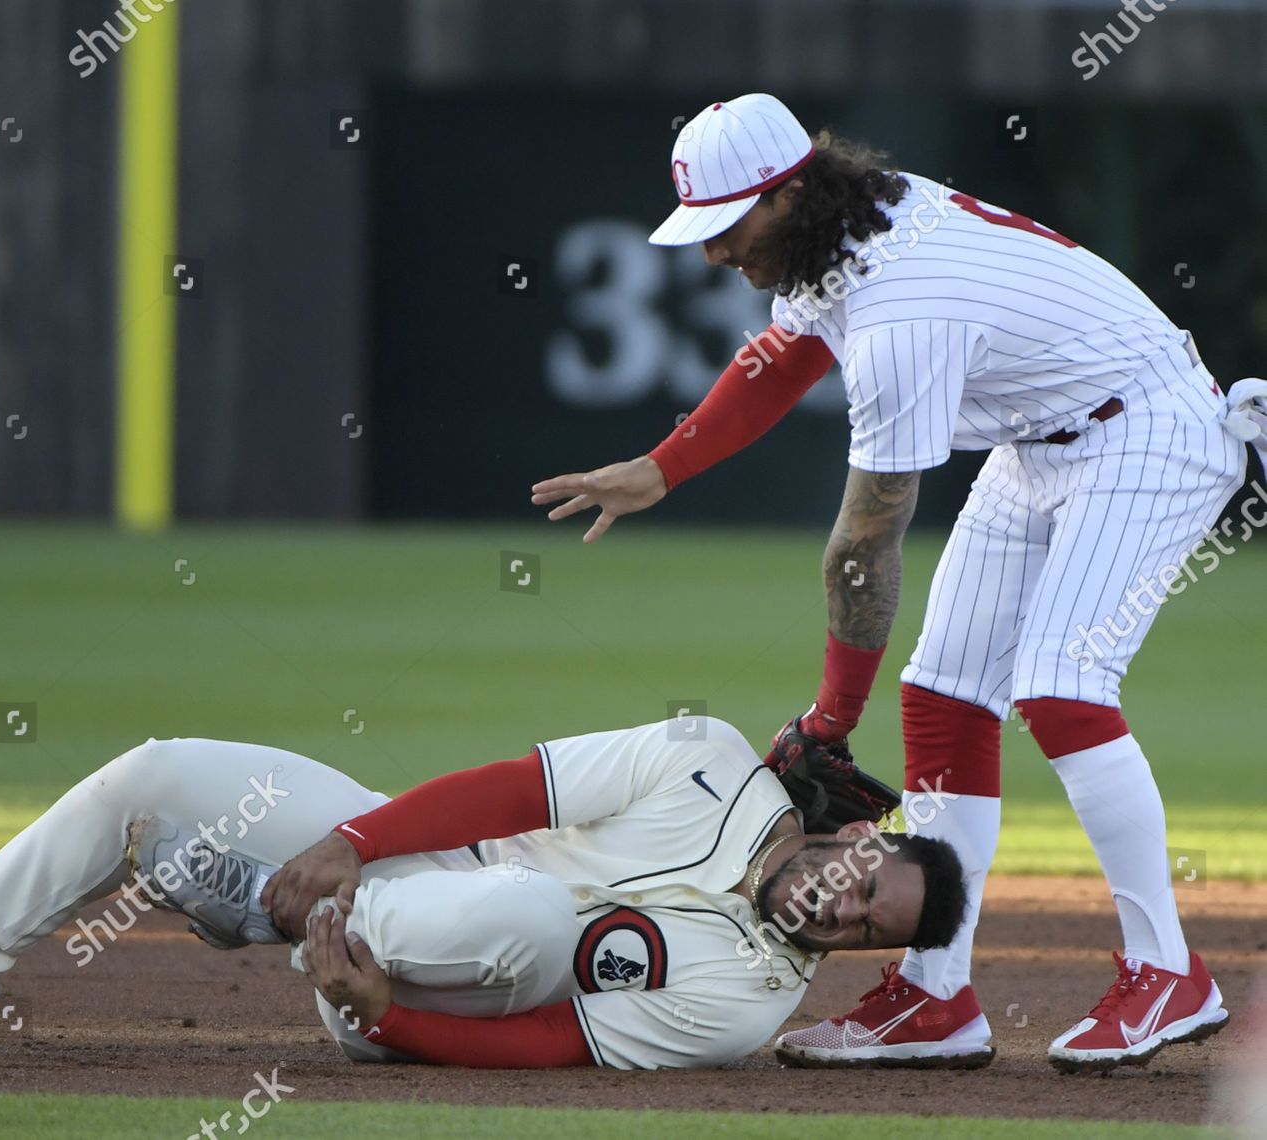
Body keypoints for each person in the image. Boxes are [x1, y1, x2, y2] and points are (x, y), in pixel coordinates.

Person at [532, 92, 1251, 1072]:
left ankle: (1168, 970)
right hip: (1048, 436)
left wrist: (829, 718)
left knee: (1061, 687)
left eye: (725, 228)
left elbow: (865, 543)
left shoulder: (901, 311)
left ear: (787, 192)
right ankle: (934, 994)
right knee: (944, 694)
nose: (712, 255)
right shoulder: (843, 221)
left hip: (1151, 433)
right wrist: (663, 466)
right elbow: (784, 352)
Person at [0, 717, 964, 1070]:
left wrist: (380, 1020)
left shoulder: (747, 1001)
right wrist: (353, 839)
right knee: (157, 771)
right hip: (390, 881)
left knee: (536, 916)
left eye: (870, 934)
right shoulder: (711, 755)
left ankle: (267, 904)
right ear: (861, 836)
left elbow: (559, 1043)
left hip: (413, 996)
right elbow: (509, 787)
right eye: (868, 882)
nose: (844, 912)